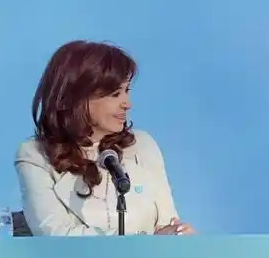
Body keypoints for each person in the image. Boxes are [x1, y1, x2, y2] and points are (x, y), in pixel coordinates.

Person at [15, 41, 195, 237]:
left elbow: (167, 224)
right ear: (76, 97)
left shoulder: (143, 145)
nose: (127, 104)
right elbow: (55, 234)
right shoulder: (35, 154)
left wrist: (179, 235)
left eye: (127, 91)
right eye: (116, 94)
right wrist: (144, 243)